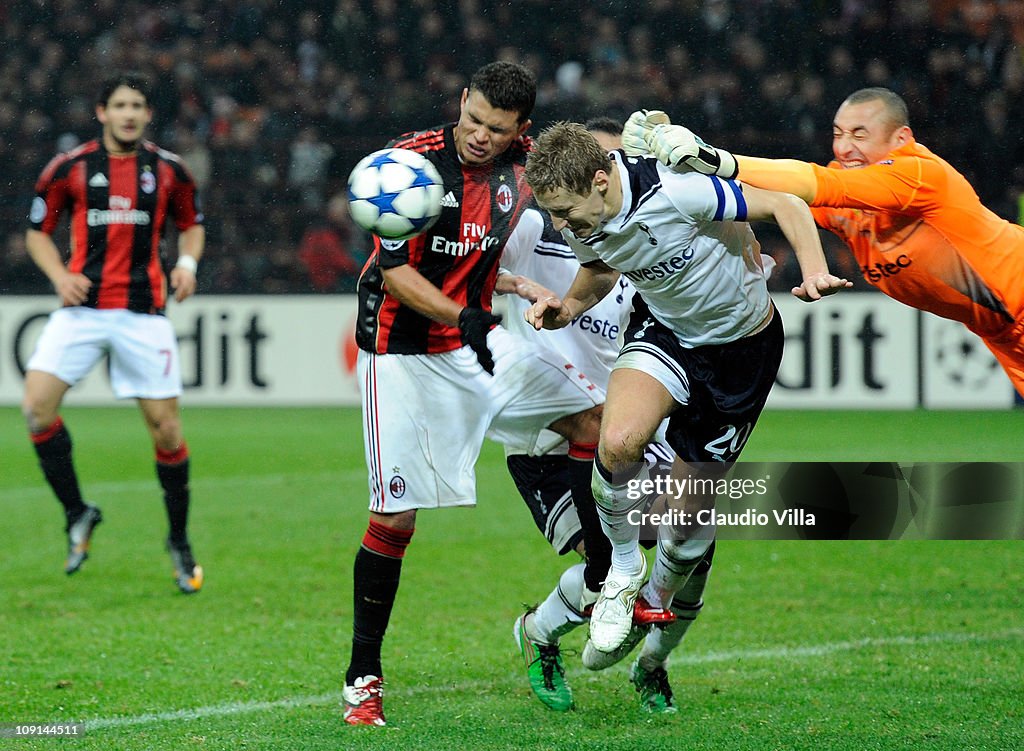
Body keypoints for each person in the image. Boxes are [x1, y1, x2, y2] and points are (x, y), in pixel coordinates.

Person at [524, 122, 850, 711]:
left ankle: (654, 637)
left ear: (601, 182)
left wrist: (813, 269)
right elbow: (598, 267)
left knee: (689, 528)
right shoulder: (581, 217)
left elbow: (785, 202)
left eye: (567, 212)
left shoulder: (678, 190)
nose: (561, 225)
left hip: (740, 356)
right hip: (667, 336)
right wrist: (567, 305)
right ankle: (624, 569)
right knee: (618, 442)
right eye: (554, 214)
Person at [343, 61, 606, 727]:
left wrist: (518, 288)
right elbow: (395, 273)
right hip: (400, 352)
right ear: (460, 101)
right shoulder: (407, 165)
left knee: (592, 421)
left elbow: (596, 183)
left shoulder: (532, 165)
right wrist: (463, 313)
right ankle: (362, 676)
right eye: (472, 119)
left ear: (522, 128)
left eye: (496, 127)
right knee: (395, 520)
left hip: (473, 342)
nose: (479, 136)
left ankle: (606, 567)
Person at [624, 88, 1024, 396]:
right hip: (1003, 331)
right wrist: (666, 163)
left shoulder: (920, 174)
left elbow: (815, 181)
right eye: (838, 134)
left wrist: (711, 157)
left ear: (901, 137)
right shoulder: (847, 200)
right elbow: (769, 193)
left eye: (860, 134)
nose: (844, 147)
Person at [498, 117, 680, 713]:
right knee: (608, 567)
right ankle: (544, 634)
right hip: (547, 436)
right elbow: (482, 264)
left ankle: (639, 659)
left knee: (682, 544)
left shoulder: (645, 239)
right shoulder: (537, 227)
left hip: (622, 430)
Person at [22, 71, 205, 594]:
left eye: (138, 105)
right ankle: (78, 511)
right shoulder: (71, 168)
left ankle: (178, 540)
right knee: (36, 409)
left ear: (148, 114)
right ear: (101, 112)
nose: (129, 113)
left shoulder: (168, 170)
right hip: (82, 311)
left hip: (143, 314)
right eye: (120, 105)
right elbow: (37, 232)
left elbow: (192, 224)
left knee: (167, 433)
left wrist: (188, 263)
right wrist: (60, 275)